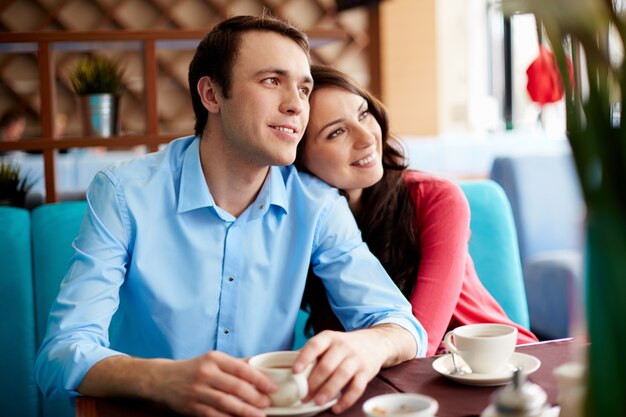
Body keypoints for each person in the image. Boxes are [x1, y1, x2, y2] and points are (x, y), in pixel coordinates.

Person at [34, 15, 426, 417]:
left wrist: (365, 345)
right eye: (271, 81)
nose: (295, 104)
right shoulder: (125, 192)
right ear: (212, 95)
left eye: (304, 88)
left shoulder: (318, 204)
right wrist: (162, 379)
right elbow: (61, 353)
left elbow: (402, 327)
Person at [295, 65, 538, 357]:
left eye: (363, 114)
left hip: (493, 363)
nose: (367, 138)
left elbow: (421, 337)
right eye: (336, 132)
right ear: (297, 156)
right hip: (389, 381)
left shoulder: (436, 197)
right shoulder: (301, 222)